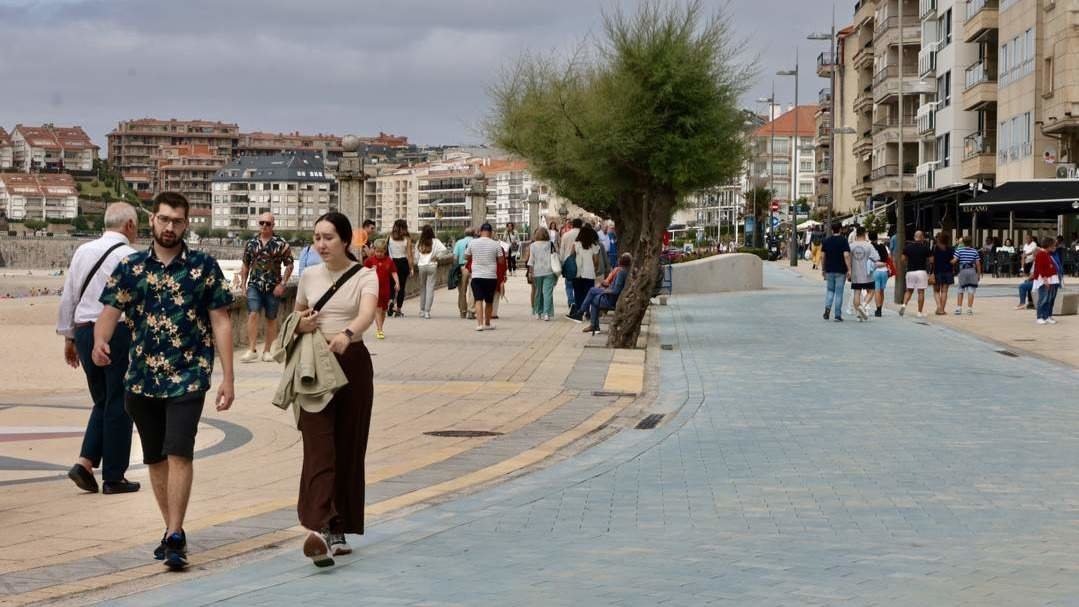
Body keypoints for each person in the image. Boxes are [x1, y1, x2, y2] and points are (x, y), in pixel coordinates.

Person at [92, 192, 235, 571]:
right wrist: (99, 341)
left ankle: (175, 534)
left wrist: (228, 378)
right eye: (164, 219)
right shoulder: (132, 267)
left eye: (177, 221)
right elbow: (110, 309)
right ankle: (170, 527)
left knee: (179, 451)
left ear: (186, 224)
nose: (170, 227)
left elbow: (221, 320)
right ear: (152, 220)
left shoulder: (204, 266)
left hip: (189, 376)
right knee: (155, 457)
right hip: (141, 378)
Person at [290, 211, 379, 566]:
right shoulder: (309, 275)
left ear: (345, 240)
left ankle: (338, 527)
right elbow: (295, 315)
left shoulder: (365, 275)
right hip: (314, 366)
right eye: (316, 238)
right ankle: (319, 526)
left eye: (328, 237)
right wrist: (302, 323)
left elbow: (367, 314)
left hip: (351, 363)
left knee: (348, 445)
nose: (321, 244)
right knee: (319, 447)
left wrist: (347, 334)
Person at [56, 202, 140, 495]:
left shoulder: (83, 251)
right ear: (129, 225)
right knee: (120, 400)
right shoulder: (131, 256)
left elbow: (69, 296)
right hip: (116, 331)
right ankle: (114, 476)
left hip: (83, 330)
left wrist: (68, 338)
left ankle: (85, 462)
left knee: (102, 399)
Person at [240, 213, 294, 363]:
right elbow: (245, 264)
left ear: (273, 225)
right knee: (253, 313)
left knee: (271, 318)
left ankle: (267, 351)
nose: (264, 226)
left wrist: (282, 284)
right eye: (262, 223)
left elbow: (289, 264)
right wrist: (243, 285)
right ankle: (251, 349)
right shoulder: (251, 243)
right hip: (254, 285)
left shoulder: (281, 243)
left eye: (268, 223)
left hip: (273, 286)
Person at [577, 253, 632, 334]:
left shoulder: (621, 273)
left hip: (612, 300)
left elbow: (616, 290)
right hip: (615, 297)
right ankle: (591, 323)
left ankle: (584, 316)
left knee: (593, 294)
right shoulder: (627, 272)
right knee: (593, 295)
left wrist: (605, 290)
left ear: (621, 261)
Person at [466, 222, 504, 331]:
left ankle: (479, 324)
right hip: (491, 276)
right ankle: (487, 323)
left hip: (477, 275)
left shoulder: (473, 243)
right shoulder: (496, 244)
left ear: (480, 232)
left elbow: (466, 256)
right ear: (491, 232)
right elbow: (501, 260)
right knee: (489, 301)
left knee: (478, 300)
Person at [362, 239, 399, 340]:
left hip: (385, 289)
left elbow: (394, 272)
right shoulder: (370, 261)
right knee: (377, 310)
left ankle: (380, 327)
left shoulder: (389, 261)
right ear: (374, 250)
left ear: (385, 251)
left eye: (381, 252)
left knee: (383, 311)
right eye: (377, 251)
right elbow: (363, 273)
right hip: (374, 289)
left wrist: (397, 282)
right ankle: (379, 330)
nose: (379, 254)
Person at [568, 224, 602, 320]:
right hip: (589, 273)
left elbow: (571, 256)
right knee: (588, 294)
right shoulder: (594, 246)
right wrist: (594, 269)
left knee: (578, 293)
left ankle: (579, 312)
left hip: (577, 273)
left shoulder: (576, 244)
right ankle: (587, 312)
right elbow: (596, 261)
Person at [414, 225, 447, 319]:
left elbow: (416, 256)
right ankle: (427, 312)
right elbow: (445, 250)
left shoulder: (419, 242)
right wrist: (437, 257)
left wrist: (419, 260)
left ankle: (421, 310)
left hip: (421, 267)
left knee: (423, 289)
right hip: (432, 266)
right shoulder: (436, 241)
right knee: (430, 289)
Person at [848, 226, 880, 322]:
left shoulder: (851, 246)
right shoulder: (869, 246)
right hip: (867, 274)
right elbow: (876, 258)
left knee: (856, 293)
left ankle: (858, 313)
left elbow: (847, 259)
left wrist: (849, 271)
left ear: (856, 234)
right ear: (865, 234)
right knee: (871, 291)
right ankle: (864, 305)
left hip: (855, 273)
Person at [526, 226, 557, 321]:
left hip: (537, 272)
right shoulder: (550, 244)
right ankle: (547, 313)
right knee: (548, 293)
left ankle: (538, 313)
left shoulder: (533, 245)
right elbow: (555, 256)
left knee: (538, 292)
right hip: (549, 271)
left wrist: (530, 272)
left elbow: (531, 260)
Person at [899, 230, 931, 318]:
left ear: (914, 237)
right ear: (922, 238)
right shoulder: (925, 248)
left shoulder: (907, 248)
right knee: (921, 292)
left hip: (910, 271)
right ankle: (919, 312)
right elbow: (931, 260)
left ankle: (904, 305)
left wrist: (907, 265)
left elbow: (902, 259)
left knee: (909, 290)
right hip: (921, 271)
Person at [387, 220, 414, 317]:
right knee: (401, 287)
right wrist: (411, 268)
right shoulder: (407, 239)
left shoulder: (389, 237)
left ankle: (390, 301)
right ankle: (398, 309)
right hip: (403, 263)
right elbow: (409, 255)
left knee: (391, 285)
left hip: (392, 263)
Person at [1031, 237, 1061, 324]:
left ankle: (1046, 316)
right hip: (1045, 279)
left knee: (1048, 299)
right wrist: (1045, 280)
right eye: (1053, 246)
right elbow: (1040, 268)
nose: (1055, 247)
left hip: (1050, 278)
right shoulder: (1041, 254)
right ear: (1049, 246)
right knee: (1043, 298)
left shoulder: (1047, 253)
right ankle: (1039, 317)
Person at [954, 236, 982, 315]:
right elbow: (978, 264)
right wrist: (978, 274)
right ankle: (969, 309)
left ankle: (959, 308)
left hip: (962, 271)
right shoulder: (975, 251)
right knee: (971, 291)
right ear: (971, 242)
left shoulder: (959, 250)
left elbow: (954, 260)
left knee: (960, 290)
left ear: (963, 242)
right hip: (972, 271)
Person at [559, 218, 583, 312]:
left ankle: (571, 301)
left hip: (568, 261)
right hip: (581, 262)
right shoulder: (583, 235)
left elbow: (562, 249)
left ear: (572, 225)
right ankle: (578, 301)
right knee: (579, 284)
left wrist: (561, 262)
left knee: (569, 284)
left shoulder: (566, 235)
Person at [929, 232, 955, 315]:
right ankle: (942, 309)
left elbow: (931, 261)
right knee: (944, 291)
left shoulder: (935, 248)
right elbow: (952, 261)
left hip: (937, 271)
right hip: (948, 271)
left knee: (936, 291)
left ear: (938, 239)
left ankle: (939, 308)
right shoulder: (950, 248)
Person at [453, 228, 475, 319]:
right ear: (473, 234)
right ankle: (471, 311)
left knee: (462, 291)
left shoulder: (458, 242)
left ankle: (463, 311)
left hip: (462, 267)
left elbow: (455, 257)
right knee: (473, 290)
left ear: (464, 233)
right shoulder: (475, 242)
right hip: (473, 267)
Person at [869, 231, 891, 318]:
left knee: (877, 290)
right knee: (882, 291)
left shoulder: (869, 247)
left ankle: (878, 310)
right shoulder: (882, 247)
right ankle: (880, 308)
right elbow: (887, 258)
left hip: (875, 270)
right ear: (877, 237)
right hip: (884, 270)